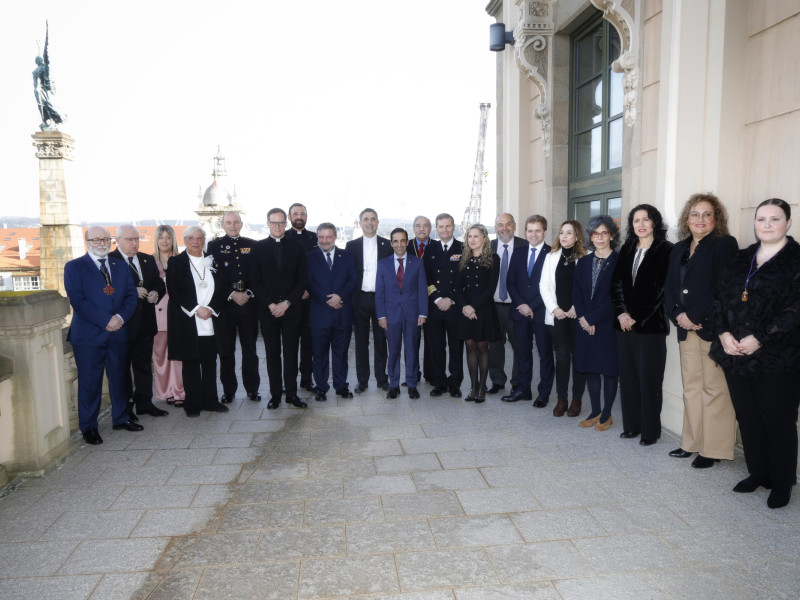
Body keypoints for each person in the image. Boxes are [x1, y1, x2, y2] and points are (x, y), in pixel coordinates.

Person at [710, 198, 800, 509]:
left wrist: (759, 338)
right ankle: (758, 473)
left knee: (778, 419)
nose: (767, 224)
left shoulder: (796, 259)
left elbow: (795, 310)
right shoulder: (743, 258)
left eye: (775, 219)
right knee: (747, 416)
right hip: (735, 352)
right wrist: (722, 333)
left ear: (788, 223)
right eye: (762, 219)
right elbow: (720, 297)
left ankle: (782, 481)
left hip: (779, 355)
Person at [664, 193, 738, 467]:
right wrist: (678, 315)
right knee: (691, 388)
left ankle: (714, 449)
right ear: (687, 218)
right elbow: (670, 288)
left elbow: (724, 286)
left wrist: (695, 315)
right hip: (685, 329)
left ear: (716, 219)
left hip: (712, 328)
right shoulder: (678, 248)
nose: (701, 219)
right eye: (695, 214)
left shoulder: (724, 245)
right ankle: (691, 443)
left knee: (715, 389)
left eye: (707, 214)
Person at [64, 226, 141, 445]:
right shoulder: (74, 267)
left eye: (105, 239)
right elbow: (78, 301)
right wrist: (106, 320)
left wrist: (120, 318)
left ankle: (121, 417)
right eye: (96, 239)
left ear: (111, 241)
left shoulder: (120, 266)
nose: (101, 242)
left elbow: (130, 298)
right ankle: (89, 427)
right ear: (87, 241)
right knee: (89, 383)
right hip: (88, 336)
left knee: (119, 379)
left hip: (118, 332)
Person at [611, 205, 673, 445]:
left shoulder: (666, 250)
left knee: (649, 379)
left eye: (646, 219)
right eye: (636, 220)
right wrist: (621, 313)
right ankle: (632, 426)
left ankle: (650, 431)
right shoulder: (626, 249)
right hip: (624, 326)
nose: (641, 224)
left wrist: (635, 316)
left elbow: (660, 290)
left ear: (654, 223)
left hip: (650, 327)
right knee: (628, 378)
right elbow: (616, 285)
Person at [166, 226, 230, 417]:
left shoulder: (214, 260)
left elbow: (223, 288)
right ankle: (192, 404)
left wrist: (210, 309)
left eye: (199, 238)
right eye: (191, 238)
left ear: (204, 240)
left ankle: (211, 401)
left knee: (210, 363)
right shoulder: (176, 262)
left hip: (211, 320)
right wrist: (196, 309)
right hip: (189, 320)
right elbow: (175, 291)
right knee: (191, 365)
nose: (195, 241)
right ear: (185, 240)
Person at [251, 208, 309, 409]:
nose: (277, 226)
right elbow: (255, 281)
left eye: (281, 222)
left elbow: (302, 280)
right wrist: (271, 305)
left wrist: (286, 303)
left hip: (291, 310)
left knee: (292, 353)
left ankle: (292, 394)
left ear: (286, 223)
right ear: (267, 223)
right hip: (268, 311)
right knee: (272, 353)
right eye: (274, 222)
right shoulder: (257, 248)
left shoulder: (297, 248)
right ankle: (275, 394)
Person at [109, 224, 168, 420]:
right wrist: (132, 291)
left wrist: (155, 293)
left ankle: (144, 403)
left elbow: (159, 282)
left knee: (143, 365)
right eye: (129, 239)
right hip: (123, 324)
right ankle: (125, 408)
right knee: (123, 368)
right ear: (117, 240)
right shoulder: (110, 261)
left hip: (146, 322)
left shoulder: (148, 259)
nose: (134, 243)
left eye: (136, 239)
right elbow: (107, 289)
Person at [207, 211, 261, 403]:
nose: (232, 225)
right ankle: (229, 390)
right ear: (222, 225)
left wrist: (247, 293)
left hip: (248, 305)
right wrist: (231, 293)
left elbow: (258, 273)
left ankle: (252, 389)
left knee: (250, 350)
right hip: (225, 306)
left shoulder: (253, 245)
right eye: (228, 222)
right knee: (226, 350)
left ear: (241, 223)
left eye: (235, 222)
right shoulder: (214, 246)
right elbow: (213, 275)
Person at [573, 215, 620, 431]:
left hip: (607, 324)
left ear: (611, 235)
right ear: (590, 236)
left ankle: (607, 414)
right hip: (585, 324)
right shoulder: (583, 262)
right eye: (595, 233)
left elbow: (617, 297)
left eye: (604, 233)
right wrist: (584, 319)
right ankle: (595, 410)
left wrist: (592, 318)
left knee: (609, 369)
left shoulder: (619, 261)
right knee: (590, 367)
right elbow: (577, 293)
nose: (599, 237)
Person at [503, 215, 554, 406]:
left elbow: (551, 286)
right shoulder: (518, 252)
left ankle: (544, 393)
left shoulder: (552, 254)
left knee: (545, 354)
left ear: (545, 232)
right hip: (519, 312)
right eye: (530, 230)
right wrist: (522, 305)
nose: (533, 234)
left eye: (537, 230)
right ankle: (523, 389)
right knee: (522, 353)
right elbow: (511, 282)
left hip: (541, 312)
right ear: (525, 232)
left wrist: (531, 306)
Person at [539, 220, 587, 417]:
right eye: (562, 232)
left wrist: (577, 308)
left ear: (577, 236)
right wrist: (554, 308)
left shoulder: (586, 257)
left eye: (569, 233)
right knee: (562, 357)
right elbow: (544, 286)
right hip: (558, 316)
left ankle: (576, 399)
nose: (564, 236)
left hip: (578, 317)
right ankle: (561, 399)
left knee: (579, 359)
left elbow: (587, 288)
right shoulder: (551, 257)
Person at [306, 223, 357, 401]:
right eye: (321, 237)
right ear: (317, 237)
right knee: (319, 354)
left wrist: (339, 297)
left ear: (335, 237)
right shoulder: (309, 257)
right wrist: (328, 299)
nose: (325, 241)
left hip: (342, 313)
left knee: (341, 353)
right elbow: (309, 282)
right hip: (319, 314)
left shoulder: (347, 256)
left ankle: (341, 386)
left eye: (328, 237)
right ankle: (321, 387)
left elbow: (353, 280)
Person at [376, 228, 428, 399]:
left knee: (412, 350)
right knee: (394, 350)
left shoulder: (417, 263)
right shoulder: (383, 264)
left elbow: (422, 290)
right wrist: (381, 316)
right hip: (391, 316)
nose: (399, 244)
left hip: (412, 314)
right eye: (395, 241)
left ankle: (412, 384)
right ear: (391, 243)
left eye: (402, 240)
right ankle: (393, 385)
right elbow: (380, 292)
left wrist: (423, 313)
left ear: (407, 242)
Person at [346, 208, 393, 392]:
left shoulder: (387, 245)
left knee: (382, 341)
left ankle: (382, 379)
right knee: (361, 341)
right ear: (360, 223)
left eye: (373, 219)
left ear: (378, 222)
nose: (369, 222)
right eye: (365, 219)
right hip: (360, 299)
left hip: (381, 300)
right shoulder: (351, 246)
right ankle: (362, 380)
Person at [454, 225, 500, 403]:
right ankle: (472, 387)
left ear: (484, 238)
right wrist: (465, 306)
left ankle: (482, 387)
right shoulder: (463, 259)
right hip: (466, 310)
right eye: (469, 237)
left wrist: (473, 307)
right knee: (470, 346)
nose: (472, 240)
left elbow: (490, 288)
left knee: (482, 347)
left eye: (476, 236)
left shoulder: (493, 259)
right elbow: (457, 287)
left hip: (483, 309)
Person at [424, 213, 465, 398]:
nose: (444, 230)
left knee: (456, 347)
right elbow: (426, 277)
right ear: (436, 228)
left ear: (453, 227)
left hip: (455, 307)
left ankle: (455, 383)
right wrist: (437, 299)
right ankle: (439, 382)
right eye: (441, 227)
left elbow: (463, 279)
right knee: (436, 346)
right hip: (435, 306)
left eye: (448, 226)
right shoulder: (430, 249)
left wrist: (451, 299)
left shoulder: (463, 248)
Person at [488, 213, 527, 395]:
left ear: (515, 225)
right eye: (500, 225)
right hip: (493, 306)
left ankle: (518, 382)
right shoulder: (488, 247)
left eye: (508, 224)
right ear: (495, 228)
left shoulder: (525, 246)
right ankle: (497, 380)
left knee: (519, 346)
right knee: (494, 346)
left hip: (516, 306)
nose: (504, 228)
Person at [285, 202, 318, 392]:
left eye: (302, 213)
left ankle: (307, 379)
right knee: (289, 345)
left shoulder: (315, 238)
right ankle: (288, 382)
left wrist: (308, 289)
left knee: (308, 343)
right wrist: (295, 293)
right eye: (295, 213)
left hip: (309, 299)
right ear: (290, 217)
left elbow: (317, 269)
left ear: (306, 216)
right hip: (290, 300)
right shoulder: (284, 237)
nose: (299, 216)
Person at [151, 224, 185, 407]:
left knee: (179, 354)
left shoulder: (181, 260)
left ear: (174, 240)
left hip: (178, 312)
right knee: (160, 355)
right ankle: (166, 391)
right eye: (161, 237)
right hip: (156, 314)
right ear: (156, 240)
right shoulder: (148, 262)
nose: (164, 241)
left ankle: (179, 390)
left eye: (168, 237)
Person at [409, 215, 433, 384]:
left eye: (425, 225)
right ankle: (412, 374)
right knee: (412, 342)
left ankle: (431, 375)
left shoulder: (437, 246)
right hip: (411, 302)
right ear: (414, 228)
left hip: (433, 300)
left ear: (430, 228)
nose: (421, 228)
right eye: (418, 225)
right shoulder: (406, 245)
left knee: (432, 341)